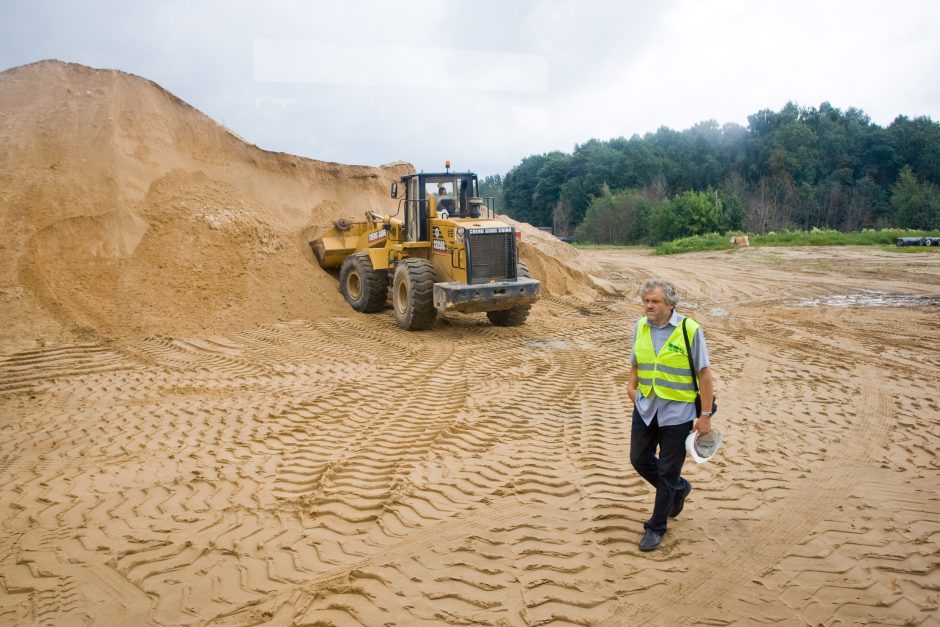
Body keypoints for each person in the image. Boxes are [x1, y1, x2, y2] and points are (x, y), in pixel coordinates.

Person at [627, 278, 714, 552]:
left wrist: (705, 416)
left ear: (670, 304)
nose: (649, 306)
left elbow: (705, 375)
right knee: (638, 458)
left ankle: (656, 527)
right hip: (646, 408)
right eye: (646, 301)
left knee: (667, 470)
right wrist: (631, 388)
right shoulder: (640, 326)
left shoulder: (689, 330)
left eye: (655, 301)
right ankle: (678, 489)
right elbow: (636, 363)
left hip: (677, 413)